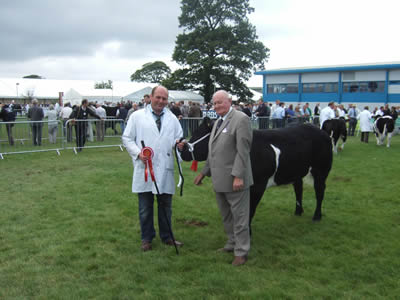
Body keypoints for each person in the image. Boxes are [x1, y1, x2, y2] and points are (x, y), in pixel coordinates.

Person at [194, 90, 253, 266]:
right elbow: (214, 152)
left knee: (240, 218)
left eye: (220, 102)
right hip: (219, 180)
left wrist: (238, 176)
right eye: (215, 103)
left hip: (235, 181)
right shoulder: (218, 121)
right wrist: (203, 173)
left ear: (230, 101)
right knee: (227, 216)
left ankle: (241, 252)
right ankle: (231, 243)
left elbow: (243, 151)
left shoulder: (241, 119)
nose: (217, 105)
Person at [122, 86, 185, 252]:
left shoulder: (172, 118)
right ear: (151, 97)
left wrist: (179, 144)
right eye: (158, 97)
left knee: (166, 207)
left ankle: (167, 236)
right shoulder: (137, 117)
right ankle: (146, 238)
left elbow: (178, 137)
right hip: (145, 168)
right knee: (145, 207)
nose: (161, 101)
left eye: (164, 99)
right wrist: (138, 153)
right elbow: (127, 138)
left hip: (164, 167)